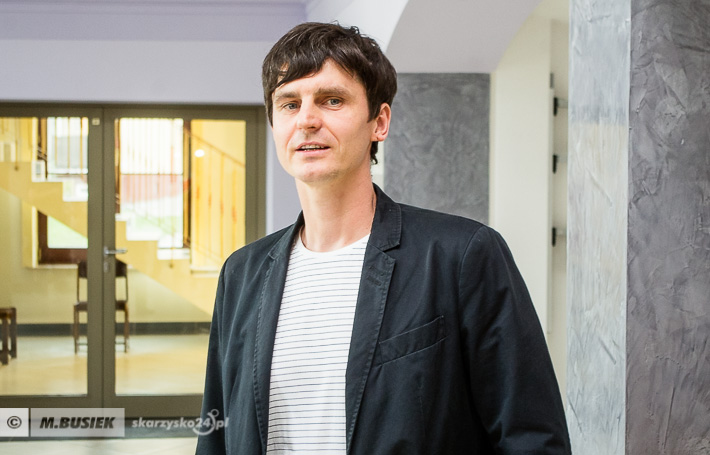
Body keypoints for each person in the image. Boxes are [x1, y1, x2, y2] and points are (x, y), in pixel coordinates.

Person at [196, 21, 571, 455]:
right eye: (289, 103)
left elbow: (531, 438)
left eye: (332, 100)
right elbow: (217, 436)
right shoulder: (242, 273)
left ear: (380, 121)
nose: (307, 120)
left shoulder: (461, 255)